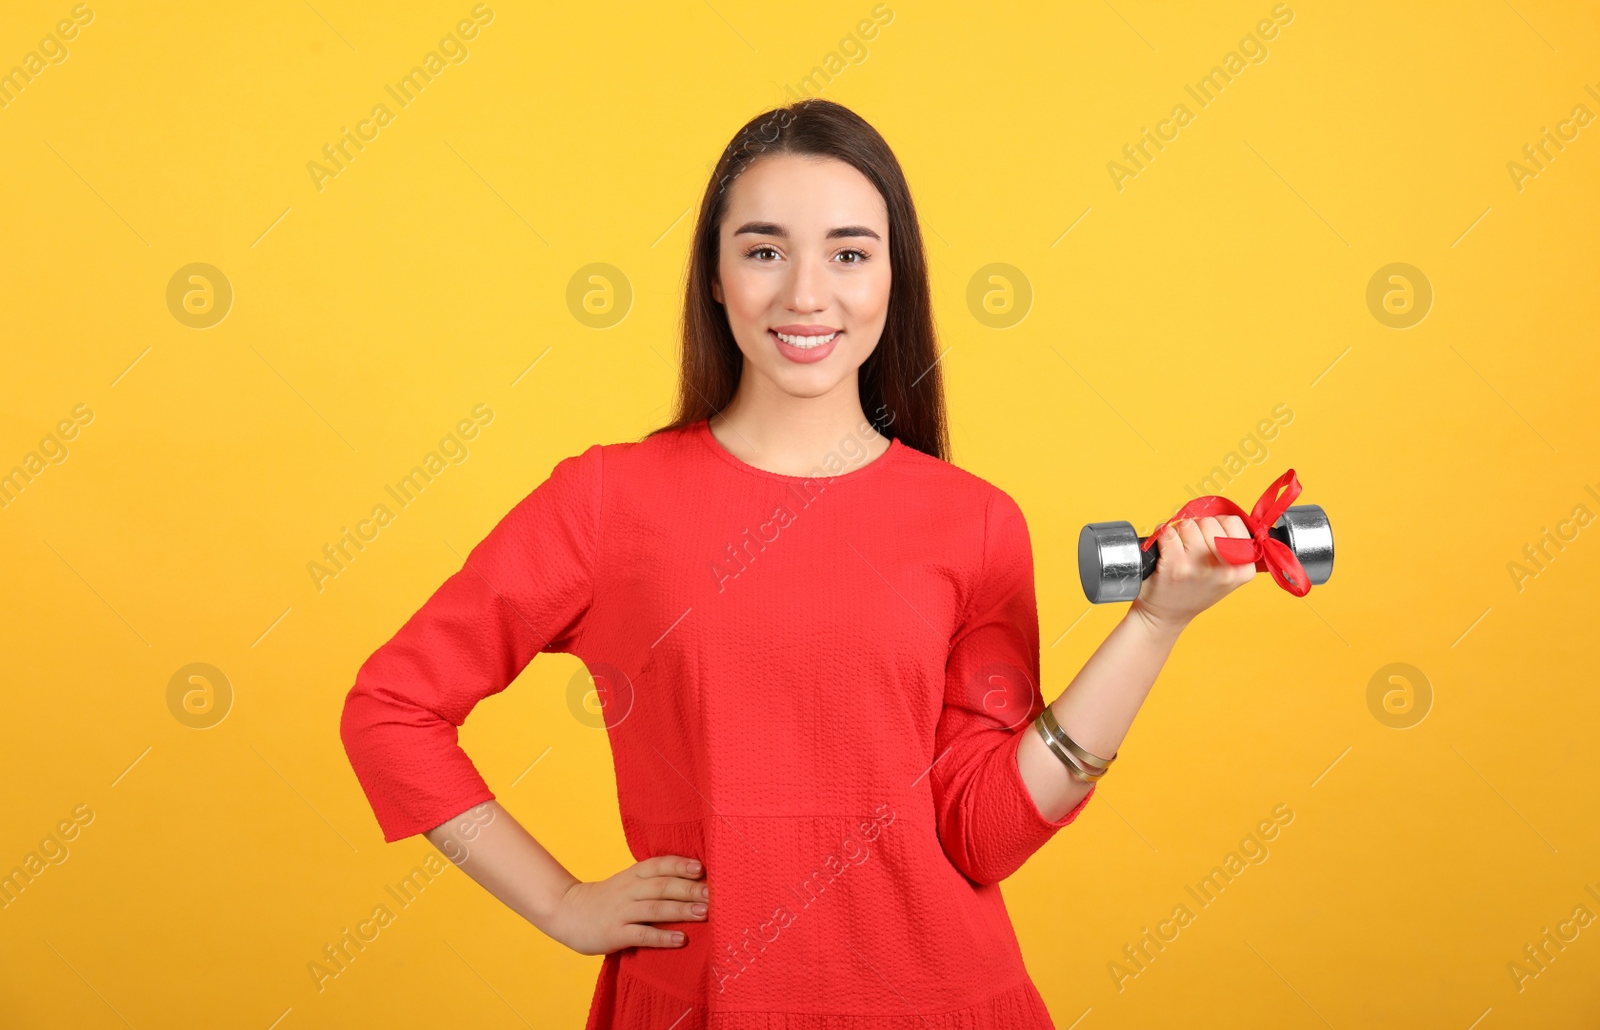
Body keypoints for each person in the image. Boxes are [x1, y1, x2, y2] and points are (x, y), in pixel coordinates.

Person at [339, 98, 1256, 1028]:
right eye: (765, 249)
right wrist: (561, 903)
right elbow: (392, 711)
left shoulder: (973, 521)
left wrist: (1154, 621)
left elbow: (983, 833)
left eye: (850, 253)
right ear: (713, 275)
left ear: (895, 278)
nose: (807, 294)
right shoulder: (608, 502)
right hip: (708, 1003)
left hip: (941, 1002)